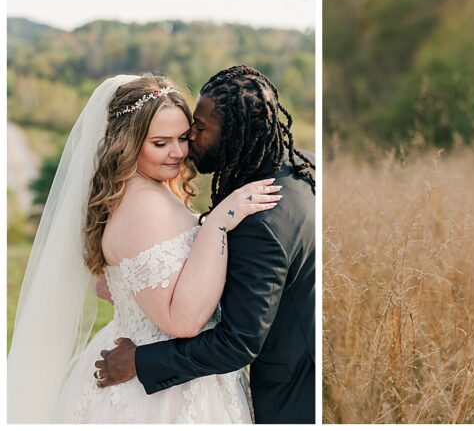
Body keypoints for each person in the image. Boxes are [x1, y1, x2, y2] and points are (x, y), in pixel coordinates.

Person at [8, 74, 279, 423]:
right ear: (128, 143)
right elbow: (182, 321)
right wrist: (218, 223)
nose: (178, 152)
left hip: (163, 366)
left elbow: (108, 286)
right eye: (160, 143)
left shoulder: (139, 192)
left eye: (183, 138)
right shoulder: (142, 206)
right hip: (159, 393)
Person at [93, 65, 317, 424]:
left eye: (196, 131)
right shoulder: (296, 167)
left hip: (292, 391)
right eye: (164, 141)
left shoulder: (260, 218)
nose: (188, 144)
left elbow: (237, 342)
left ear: (232, 135)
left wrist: (139, 361)